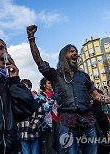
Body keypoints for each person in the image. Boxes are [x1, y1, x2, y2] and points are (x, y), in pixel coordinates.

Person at [26, 24, 110, 154]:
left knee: (92, 151)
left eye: (76, 51)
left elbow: (96, 95)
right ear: (63, 56)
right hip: (67, 122)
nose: (75, 53)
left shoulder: (84, 76)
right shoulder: (55, 75)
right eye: (71, 51)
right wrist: (31, 38)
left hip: (88, 120)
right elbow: (39, 61)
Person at [18, 79, 44, 154]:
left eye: (26, 86)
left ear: (30, 88)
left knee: (35, 152)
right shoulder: (18, 100)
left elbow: (41, 114)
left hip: (34, 133)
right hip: (22, 132)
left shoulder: (36, 99)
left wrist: (35, 125)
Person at [38, 77, 58, 154]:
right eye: (49, 83)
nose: (51, 85)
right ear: (44, 85)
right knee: (49, 145)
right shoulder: (41, 96)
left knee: (60, 143)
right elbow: (45, 108)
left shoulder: (55, 94)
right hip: (48, 123)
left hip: (59, 120)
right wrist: (52, 98)